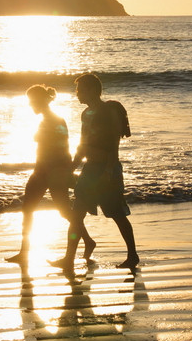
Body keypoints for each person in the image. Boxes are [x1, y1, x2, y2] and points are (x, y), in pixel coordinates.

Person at [50, 73, 139, 272]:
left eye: (80, 89)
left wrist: (109, 170)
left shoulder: (108, 111)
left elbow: (114, 143)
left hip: (107, 170)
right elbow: (83, 144)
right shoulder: (85, 114)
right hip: (90, 170)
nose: (77, 94)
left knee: (117, 214)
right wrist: (72, 167)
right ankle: (69, 259)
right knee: (76, 215)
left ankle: (132, 255)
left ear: (91, 90)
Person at [6, 84, 96, 265]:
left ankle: (88, 241)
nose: (31, 105)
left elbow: (64, 149)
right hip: (40, 171)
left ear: (40, 101)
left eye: (32, 102)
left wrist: (65, 171)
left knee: (64, 211)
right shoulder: (44, 120)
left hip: (55, 171)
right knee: (28, 209)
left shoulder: (56, 120)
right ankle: (24, 252)